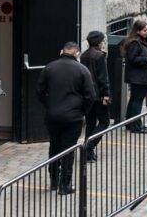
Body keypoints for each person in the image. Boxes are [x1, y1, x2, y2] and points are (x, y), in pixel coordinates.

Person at [36, 41, 96, 194]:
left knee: (54, 147)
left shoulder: (49, 67)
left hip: (53, 115)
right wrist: (82, 111)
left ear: (61, 51)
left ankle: (54, 181)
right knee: (68, 149)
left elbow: (39, 91)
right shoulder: (82, 70)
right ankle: (65, 185)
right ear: (77, 53)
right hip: (73, 117)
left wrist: (49, 105)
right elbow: (90, 95)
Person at [80, 30, 111, 162]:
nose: (104, 42)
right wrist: (106, 94)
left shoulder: (84, 55)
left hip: (87, 95)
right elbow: (103, 78)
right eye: (103, 40)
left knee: (91, 123)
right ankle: (90, 146)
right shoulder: (99, 56)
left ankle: (88, 152)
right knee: (104, 122)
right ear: (98, 42)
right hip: (98, 95)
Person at [122, 20, 147, 133]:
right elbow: (133, 59)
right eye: (144, 30)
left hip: (138, 77)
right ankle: (136, 126)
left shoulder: (138, 41)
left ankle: (130, 124)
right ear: (138, 31)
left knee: (134, 100)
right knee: (137, 101)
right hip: (139, 78)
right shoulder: (135, 43)